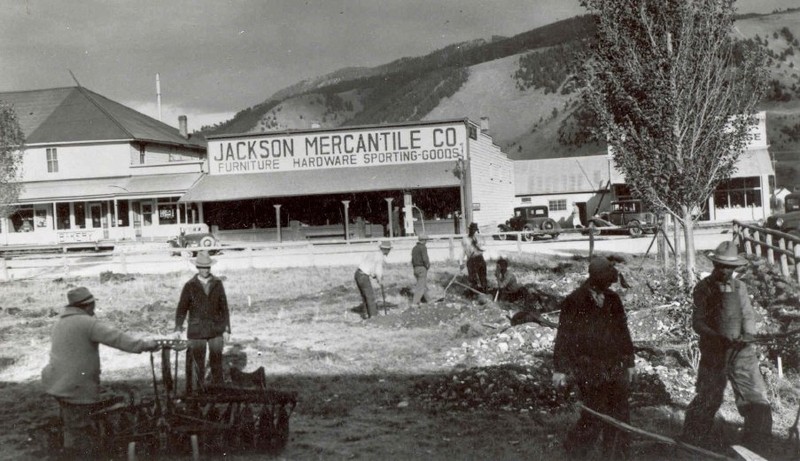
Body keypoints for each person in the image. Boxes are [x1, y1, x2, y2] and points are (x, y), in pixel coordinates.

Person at [42, 286, 160, 457]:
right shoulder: (87, 323)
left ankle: (70, 449)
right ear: (88, 305)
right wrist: (144, 345)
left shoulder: (60, 323)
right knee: (81, 431)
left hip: (57, 382)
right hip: (75, 386)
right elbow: (117, 338)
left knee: (72, 425)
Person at [680, 241, 772, 451]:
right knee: (708, 396)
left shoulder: (740, 287)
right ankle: (692, 442)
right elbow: (698, 322)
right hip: (714, 352)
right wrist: (717, 337)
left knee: (755, 397)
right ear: (715, 265)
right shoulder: (703, 289)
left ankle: (756, 444)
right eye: (722, 266)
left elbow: (747, 314)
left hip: (742, 352)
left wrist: (748, 335)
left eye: (730, 267)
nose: (726, 271)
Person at [552, 256, 635, 460]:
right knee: (594, 415)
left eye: (610, 282)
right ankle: (574, 451)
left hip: (615, 366)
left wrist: (630, 363)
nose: (609, 284)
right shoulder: (574, 301)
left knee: (620, 416)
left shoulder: (613, 300)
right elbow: (564, 337)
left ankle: (617, 456)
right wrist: (560, 370)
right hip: (589, 368)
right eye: (606, 281)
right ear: (594, 279)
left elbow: (623, 333)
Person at [174, 251, 231, 394]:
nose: (205, 270)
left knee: (216, 361)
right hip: (196, 330)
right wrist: (178, 328)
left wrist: (226, 329)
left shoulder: (217, 284)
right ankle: (199, 392)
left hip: (216, 329)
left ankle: (219, 391)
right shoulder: (190, 285)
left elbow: (224, 307)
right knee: (198, 363)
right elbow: (182, 307)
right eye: (202, 267)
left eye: (207, 267)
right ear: (197, 268)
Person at [355, 240, 392, 319]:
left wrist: (374, 275)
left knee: (365, 296)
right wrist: (380, 280)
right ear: (386, 249)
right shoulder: (380, 257)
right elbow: (378, 271)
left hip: (358, 274)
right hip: (363, 275)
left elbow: (370, 267)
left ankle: (366, 314)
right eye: (389, 250)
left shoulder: (375, 253)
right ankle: (373, 317)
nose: (389, 251)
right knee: (370, 296)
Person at [461, 222, 487, 293]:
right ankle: (474, 293)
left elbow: (484, 249)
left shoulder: (479, 238)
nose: (473, 231)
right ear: (469, 230)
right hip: (471, 260)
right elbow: (463, 251)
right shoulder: (465, 239)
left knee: (483, 276)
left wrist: (477, 245)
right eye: (472, 229)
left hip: (479, 258)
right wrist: (461, 262)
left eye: (475, 230)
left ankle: (484, 291)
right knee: (472, 278)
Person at [411, 234, 431, 307]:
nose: (426, 242)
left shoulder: (414, 248)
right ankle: (415, 303)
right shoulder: (423, 248)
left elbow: (412, 260)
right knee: (420, 287)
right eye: (426, 240)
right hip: (421, 268)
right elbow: (425, 259)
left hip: (415, 268)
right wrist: (427, 266)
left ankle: (428, 300)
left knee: (422, 285)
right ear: (424, 240)